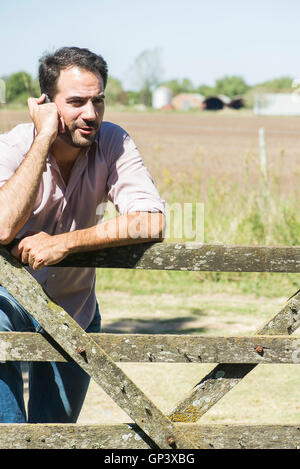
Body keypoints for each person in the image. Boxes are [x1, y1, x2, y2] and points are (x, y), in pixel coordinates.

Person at [0, 47, 165, 423]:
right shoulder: (11, 147)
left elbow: (151, 220)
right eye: (76, 102)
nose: (90, 114)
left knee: (56, 436)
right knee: (8, 434)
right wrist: (43, 138)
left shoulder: (113, 142)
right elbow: (2, 226)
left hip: (74, 309)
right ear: (45, 103)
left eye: (98, 101)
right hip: (5, 306)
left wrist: (63, 243)